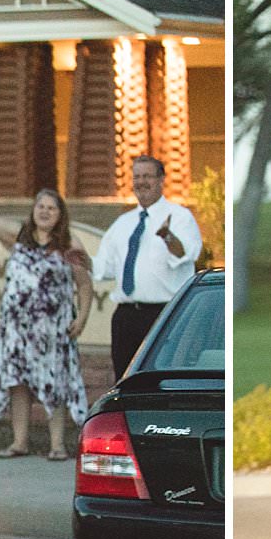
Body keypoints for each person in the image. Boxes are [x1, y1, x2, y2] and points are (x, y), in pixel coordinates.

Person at [0, 170, 92, 460]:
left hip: (53, 328)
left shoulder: (69, 246)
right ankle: (19, 442)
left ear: (60, 214)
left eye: (52, 208)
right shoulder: (18, 237)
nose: (45, 212)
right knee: (18, 383)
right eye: (41, 207)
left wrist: (82, 318)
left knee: (55, 382)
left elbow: (85, 285)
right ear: (33, 211)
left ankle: (57, 445)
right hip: (17, 329)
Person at [91, 155, 200, 376]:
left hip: (164, 315)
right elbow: (105, 267)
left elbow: (185, 254)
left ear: (161, 180)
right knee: (125, 380)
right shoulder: (123, 223)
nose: (141, 182)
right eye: (137, 176)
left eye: (147, 176)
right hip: (126, 316)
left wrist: (167, 236)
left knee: (161, 379)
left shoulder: (180, 217)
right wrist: (81, 260)